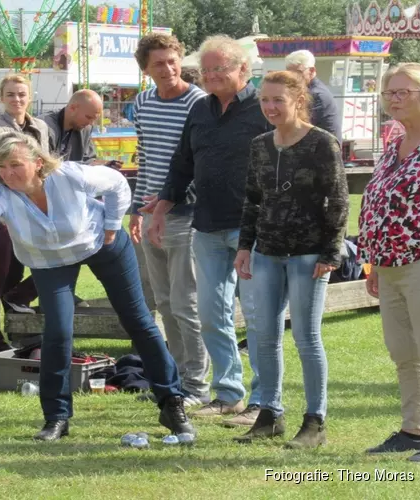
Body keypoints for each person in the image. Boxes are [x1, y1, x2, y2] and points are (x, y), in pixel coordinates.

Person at [0, 131, 196, 443]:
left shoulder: (68, 175)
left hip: (101, 244)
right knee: (58, 332)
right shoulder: (0, 191)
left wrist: (112, 225)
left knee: (139, 322)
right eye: (2, 166)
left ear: (38, 163)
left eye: (15, 165)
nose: (7, 173)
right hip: (49, 261)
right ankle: (56, 417)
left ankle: (172, 404)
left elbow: (116, 183)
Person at [144, 35, 269, 427]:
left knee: (258, 315)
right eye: (207, 69)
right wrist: (163, 206)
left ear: (243, 70)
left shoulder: (264, 109)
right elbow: (182, 164)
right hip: (207, 226)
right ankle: (229, 394)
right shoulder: (201, 109)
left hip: (255, 229)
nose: (212, 76)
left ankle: (263, 401)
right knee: (212, 314)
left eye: (221, 69)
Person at [232, 71, 349, 448]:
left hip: (308, 254)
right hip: (266, 251)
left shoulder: (322, 143)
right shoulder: (261, 145)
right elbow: (252, 199)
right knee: (263, 337)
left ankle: (315, 421)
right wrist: (245, 246)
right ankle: (270, 413)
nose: (270, 107)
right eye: (265, 100)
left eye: (278, 100)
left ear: (299, 100)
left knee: (306, 337)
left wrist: (332, 251)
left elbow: (339, 200)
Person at [128, 32, 210, 408]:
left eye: (172, 60)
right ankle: (173, 379)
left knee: (186, 303)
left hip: (186, 216)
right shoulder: (143, 103)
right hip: (147, 217)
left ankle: (196, 384)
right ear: (145, 69)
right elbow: (145, 158)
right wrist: (135, 210)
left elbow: (201, 165)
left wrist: (170, 201)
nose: (168, 68)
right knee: (161, 301)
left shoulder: (200, 103)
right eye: (158, 63)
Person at [358, 62, 420, 462]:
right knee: (404, 351)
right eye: (390, 93)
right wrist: (372, 259)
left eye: (406, 92)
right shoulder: (392, 147)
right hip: (390, 264)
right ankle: (414, 430)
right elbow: (376, 202)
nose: (396, 99)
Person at [0, 74, 48, 353]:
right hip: (1, 214)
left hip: (34, 211)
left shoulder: (40, 126)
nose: (16, 99)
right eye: (10, 95)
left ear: (30, 96)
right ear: (1, 98)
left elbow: (46, 167)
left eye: (21, 94)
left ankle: (20, 332)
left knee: (41, 268)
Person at [285, 50, 342, 140]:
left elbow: (301, 126)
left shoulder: (316, 95)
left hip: (323, 149)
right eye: (289, 73)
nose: (292, 77)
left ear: (311, 71)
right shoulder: (309, 90)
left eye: (298, 73)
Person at [39, 89, 102, 163]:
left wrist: (108, 165)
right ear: (73, 108)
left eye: (94, 119)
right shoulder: (43, 126)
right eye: (88, 117)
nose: (91, 123)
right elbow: (43, 166)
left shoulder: (86, 129)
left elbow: (89, 160)